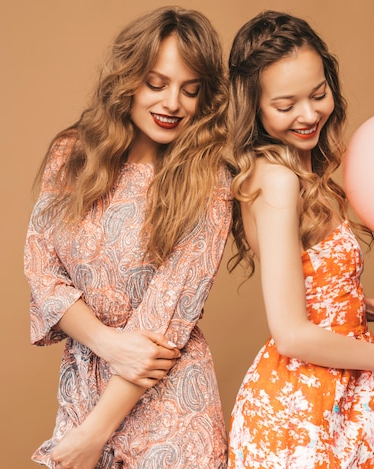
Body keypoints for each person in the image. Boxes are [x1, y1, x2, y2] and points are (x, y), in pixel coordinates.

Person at [226, 11, 374, 468]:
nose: (308, 115)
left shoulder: (303, 170)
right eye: (285, 106)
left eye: (319, 94)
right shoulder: (278, 181)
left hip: (342, 402)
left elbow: (312, 292)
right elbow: (290, 333)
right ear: (255, 107)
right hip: (301, 416)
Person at [24, 7, 231, 468]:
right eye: (157, 83)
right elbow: (41, 268)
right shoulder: (71, 154)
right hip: (85, 383)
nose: (172, 103)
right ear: (129, 79)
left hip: (170, 408)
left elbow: (164, 319)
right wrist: (106, 342)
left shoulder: (209, 181)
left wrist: (93, 435)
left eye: (190, 89)